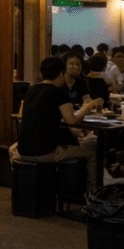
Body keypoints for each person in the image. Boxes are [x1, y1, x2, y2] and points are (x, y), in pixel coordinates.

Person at [13, 56, 100, 190]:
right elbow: (71, 121)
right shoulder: (58, 92)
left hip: (23, 149)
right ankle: (92, 193)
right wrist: (86, 108)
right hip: (45, 152)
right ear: (61, 75)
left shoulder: (32, 90)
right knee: (90, 153)